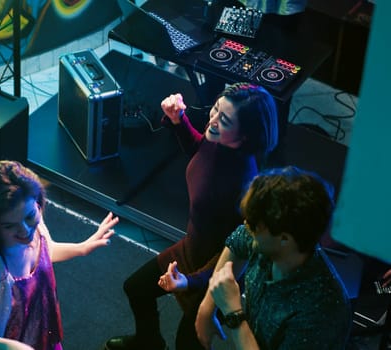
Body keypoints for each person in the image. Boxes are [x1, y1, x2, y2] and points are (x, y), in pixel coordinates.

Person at [105, 82, 278, 350]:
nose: (213, 120)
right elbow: (200, 151)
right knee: (136, 289)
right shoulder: (218, 141)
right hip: (189, 250)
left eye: (224, 119)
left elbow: (233, 256)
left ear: (245, 136)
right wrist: (178, 120)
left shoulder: (244, 186)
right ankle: (149, 342)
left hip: (213, 275)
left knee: (187, 343)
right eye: (216, 110)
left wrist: (189, 281)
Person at [0, 160, 119, 350]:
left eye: (29, 216)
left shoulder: (37, 227)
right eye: (9, 226)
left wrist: (82, 248)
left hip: (42, 333)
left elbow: (45, 253)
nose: (25, 231)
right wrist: (11, 348)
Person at [194, 166, 351, 349]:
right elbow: (238, 242)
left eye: (254, 226)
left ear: (285, 238)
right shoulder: (270, 243)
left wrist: (233, 313)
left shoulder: (322, 313)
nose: (246, 226)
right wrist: (207, 308)